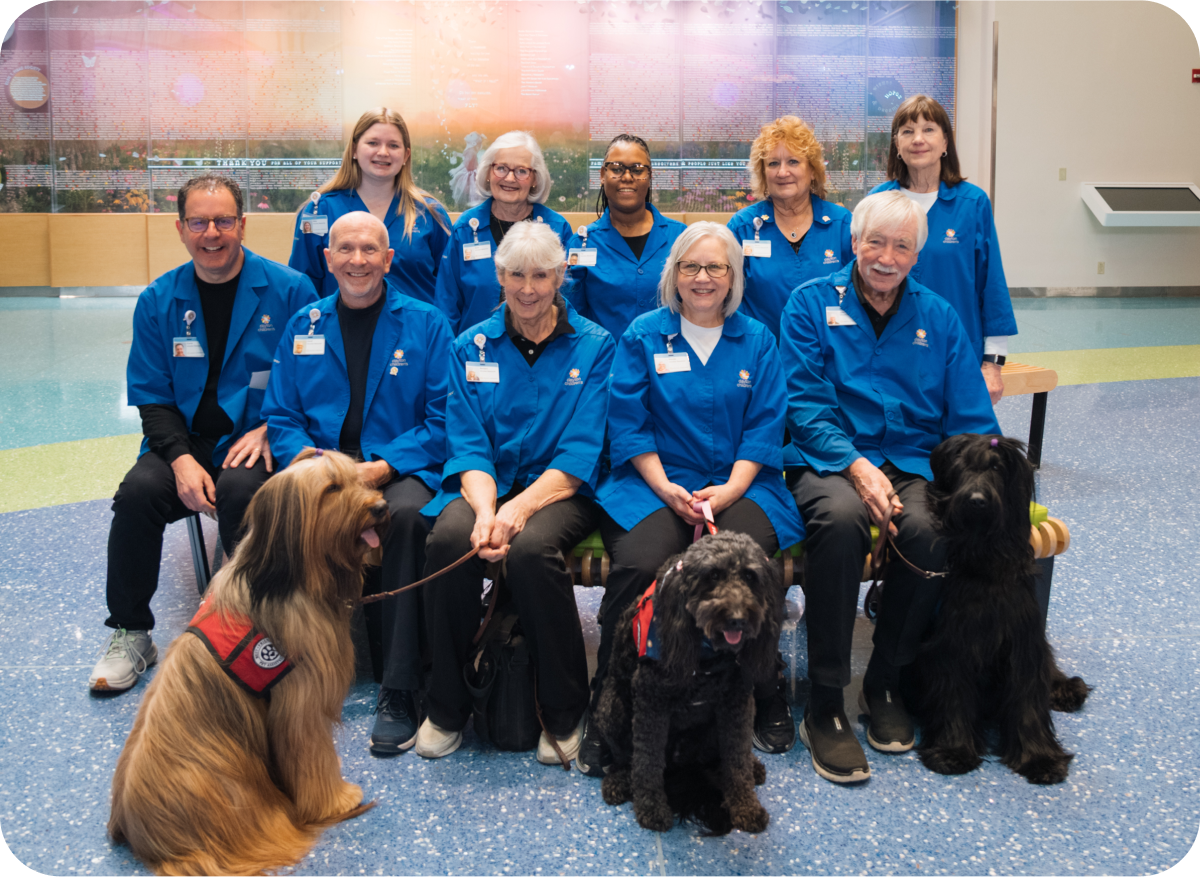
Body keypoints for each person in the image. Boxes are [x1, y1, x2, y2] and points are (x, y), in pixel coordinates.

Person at [779, 190, 1001, 784]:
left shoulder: (940, 317)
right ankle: (825, 702)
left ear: (916, 256)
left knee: (930, 531)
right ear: (854, 243)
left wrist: (990, 476)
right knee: (843, 521)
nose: (886, 256)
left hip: (912, 462)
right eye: (875, 241)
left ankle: (886, 681)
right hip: (825, 459)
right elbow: (802, 404)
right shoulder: (808, 304)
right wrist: (854, 464)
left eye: (901, 246)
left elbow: (972, 420)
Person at [576, 222, 804, 777]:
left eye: (716, 268)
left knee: (749, 562)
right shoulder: (642, 336)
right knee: (637, 564)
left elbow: (765, 426)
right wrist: (665, 488)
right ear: (673, 275)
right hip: (654, 481)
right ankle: (609, 698)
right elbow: (628, 424)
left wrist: (729, 489)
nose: (702, 278)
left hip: (741, 481)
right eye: (690, 267)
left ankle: (763, 689)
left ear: (733, 278)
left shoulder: (759, 340)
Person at [89, 174, 319, 693]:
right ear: (180, 228)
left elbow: (311, 379)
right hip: (184, 441)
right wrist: (179, 459)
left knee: (243, 494)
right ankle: (131, 632)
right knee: (137, 495)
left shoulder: (290, 291)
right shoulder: (158, 300)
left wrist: (270, 425)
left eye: (222, 221)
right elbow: (152, 394)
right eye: (198, 222)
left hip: (258, 436)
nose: (210, 233)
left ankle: (247, 634)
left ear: (242, 224)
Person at [415, 221, 615, 764]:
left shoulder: (596, 347)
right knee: (448, 542)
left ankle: (563, 708)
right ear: (499, 277)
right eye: (517, 275)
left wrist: (518, 510)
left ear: (561, 277)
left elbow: (580, 451)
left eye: (542, 276)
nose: (529, 288)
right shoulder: (469, 346)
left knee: (531, 551)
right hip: (486, 485)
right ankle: (446, 706)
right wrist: (485, 512)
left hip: (560, 491)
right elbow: (467, 443)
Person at [263, 212, 452, 755]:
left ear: (388, 259)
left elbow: (441, 420)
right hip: (323, 469)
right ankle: (284, 661)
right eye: (345, 249)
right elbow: (281, 412)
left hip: (394, 468)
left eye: (370, 250)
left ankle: (398, 686)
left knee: (409, 517)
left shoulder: (427, 324)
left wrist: (384, 466)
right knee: (275, 507)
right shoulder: (305, 324)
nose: (358, 260)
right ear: (328, 259)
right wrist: (301, 458)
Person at [871, 94, 1017, 404]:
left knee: (959, 448)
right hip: (889, 355)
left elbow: (991, 285)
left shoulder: (973, 203)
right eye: (907, 131)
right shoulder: (879, 201)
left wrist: (993, 365)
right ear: (896, 144)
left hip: (958, 352)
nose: (918, 139)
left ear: (945, 141)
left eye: (929, 129)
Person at [289, 108, 452, 304]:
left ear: (406, 155)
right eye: (373, 143)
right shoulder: (319, 212)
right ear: (355, 149)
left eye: (393, 145)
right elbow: (303, 286)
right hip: (340, 331)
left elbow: (450, 287)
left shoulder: (430, 214)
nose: (383, 152)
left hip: (416, 332)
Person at [433, 130, 572, 334]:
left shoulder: (556, 228)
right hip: (476, 354)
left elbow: (568, 300)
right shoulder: (465, 228)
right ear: (488, 173)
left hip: (543, 355)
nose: (509, 178)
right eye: (501, 168)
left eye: (521, 171)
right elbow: (447, 302)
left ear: (535, 178)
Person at [728, 116, 854, 339]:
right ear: (763, 173)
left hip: (830, 356)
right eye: (773, 163)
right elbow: (724, 294)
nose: (782, 172)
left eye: (793, 162)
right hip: (761, 358)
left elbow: (861, 294)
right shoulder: (742, 227)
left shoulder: (842, 224)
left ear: (812, 170)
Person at [563, 133, 686, 339]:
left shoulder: (681, 238)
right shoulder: (581, 244)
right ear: (602, 175)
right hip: (606, 366)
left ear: (649, 176)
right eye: (617, 169)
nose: (627, 177)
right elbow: (573, 318)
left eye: (638, 169)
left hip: (669, 363)